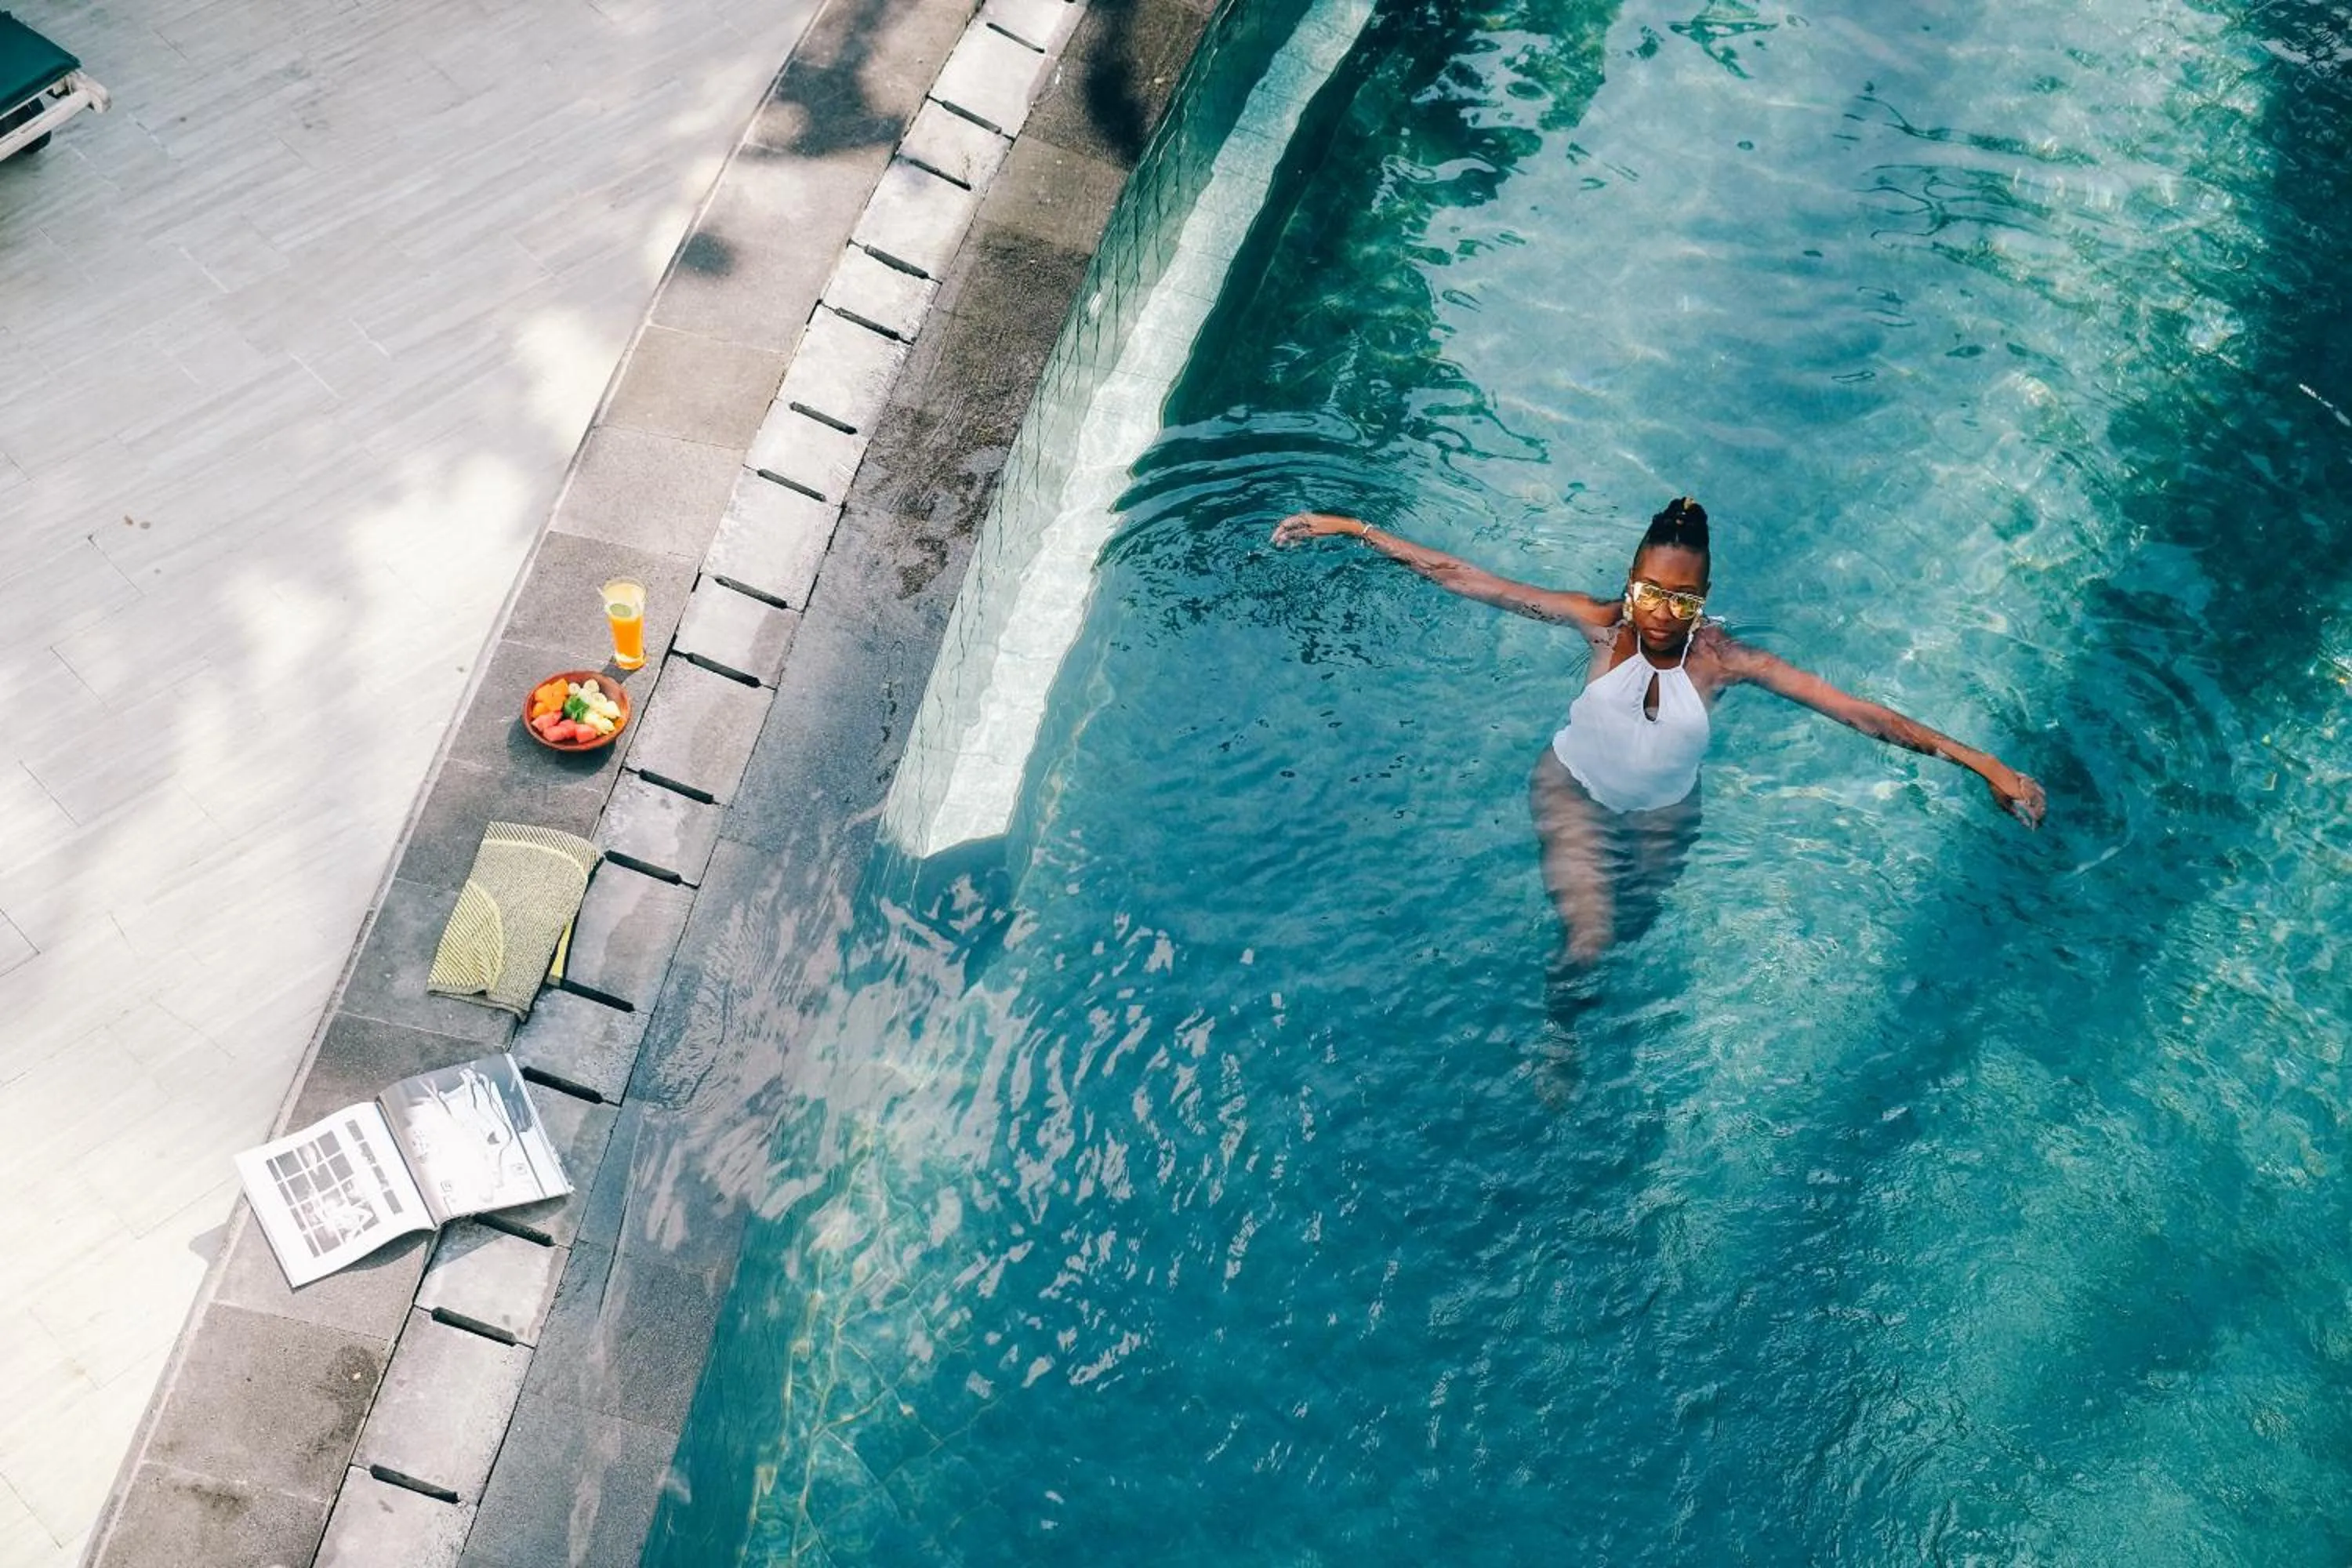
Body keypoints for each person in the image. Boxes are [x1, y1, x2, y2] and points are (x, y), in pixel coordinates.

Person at [1271, 497, 2046, 970]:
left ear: (1703, 599)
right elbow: (1461, 574)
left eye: (1682, 599)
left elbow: (1864, 715)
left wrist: (1983, 763)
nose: (1660, 613)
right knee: (1589, 940)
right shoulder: (1596, 621)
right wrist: (1352, 528)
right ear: (1631, 581)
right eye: (1649, 592)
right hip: (1572, 790)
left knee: (1636, 923)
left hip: (1666, 811)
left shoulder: (1729, 660)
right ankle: (1561, 1035)